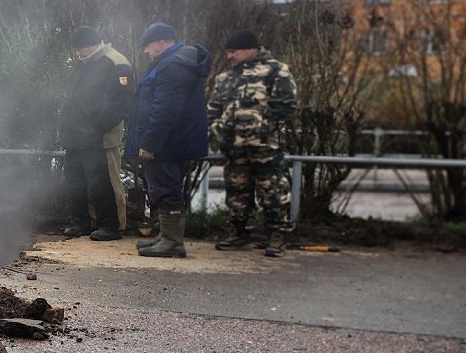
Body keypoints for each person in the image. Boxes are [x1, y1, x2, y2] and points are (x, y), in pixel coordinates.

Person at [122, 22, 211, 258]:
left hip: (167, 143)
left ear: (161, 42)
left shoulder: (173, 66)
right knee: (162, 187)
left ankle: (172, 241)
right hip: (169, 141)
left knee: (166, 188)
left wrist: (150, 143)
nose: (145, 51)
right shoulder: (171, 63)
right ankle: (166, 236)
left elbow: (165, 109)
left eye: (147, 45)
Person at [208, 28, 298, 257]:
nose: (229, 56)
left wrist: (262, 123)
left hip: (265, 147)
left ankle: (277, 235)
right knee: (237, 192)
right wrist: (216, 130)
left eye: (233, 51)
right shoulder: (226, 78)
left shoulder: (276, 71)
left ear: (250, 49)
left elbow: (287, 105)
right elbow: (213, 110)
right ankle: (239, 232)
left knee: (273, 191)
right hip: (234, 148)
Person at [58, 26, 135, 240]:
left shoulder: (115, 62)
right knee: (75, 182)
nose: (77, 53)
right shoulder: (85, 64)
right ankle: (81, 222)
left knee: (103, 182)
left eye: (80, 49)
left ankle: (111, 225)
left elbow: (120, 102)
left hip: (100, 138)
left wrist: (98, 127)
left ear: (91, 45)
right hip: (76, 137)